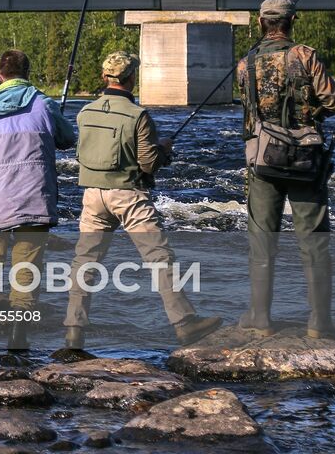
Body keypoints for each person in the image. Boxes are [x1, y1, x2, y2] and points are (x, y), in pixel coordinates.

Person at [62, 51, 223, 351]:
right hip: (128, 195)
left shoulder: (84, 112)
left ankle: (74, 331)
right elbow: (148, 164)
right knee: (158, 258)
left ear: (104, 76)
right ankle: (184, 324)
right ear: (132, 78)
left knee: (84, 263)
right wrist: (163, 148)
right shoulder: (138, 116)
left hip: (92, 194)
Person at [236, 0, 335, 339]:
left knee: (262, 241)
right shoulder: (306, 55)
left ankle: (260, 318)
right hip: (306, 160)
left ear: (262, 23)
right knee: (314, 242)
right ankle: (320, 323)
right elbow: (331, 102)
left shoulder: (245, 64)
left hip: (263, 162)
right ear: (292, 22)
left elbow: (252, 114)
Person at [0, 49, 76, 346]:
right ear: (27, 73)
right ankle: (18, 333)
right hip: (35, 196)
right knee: (27, 265)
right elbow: (67, 139)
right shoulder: (45, 105)